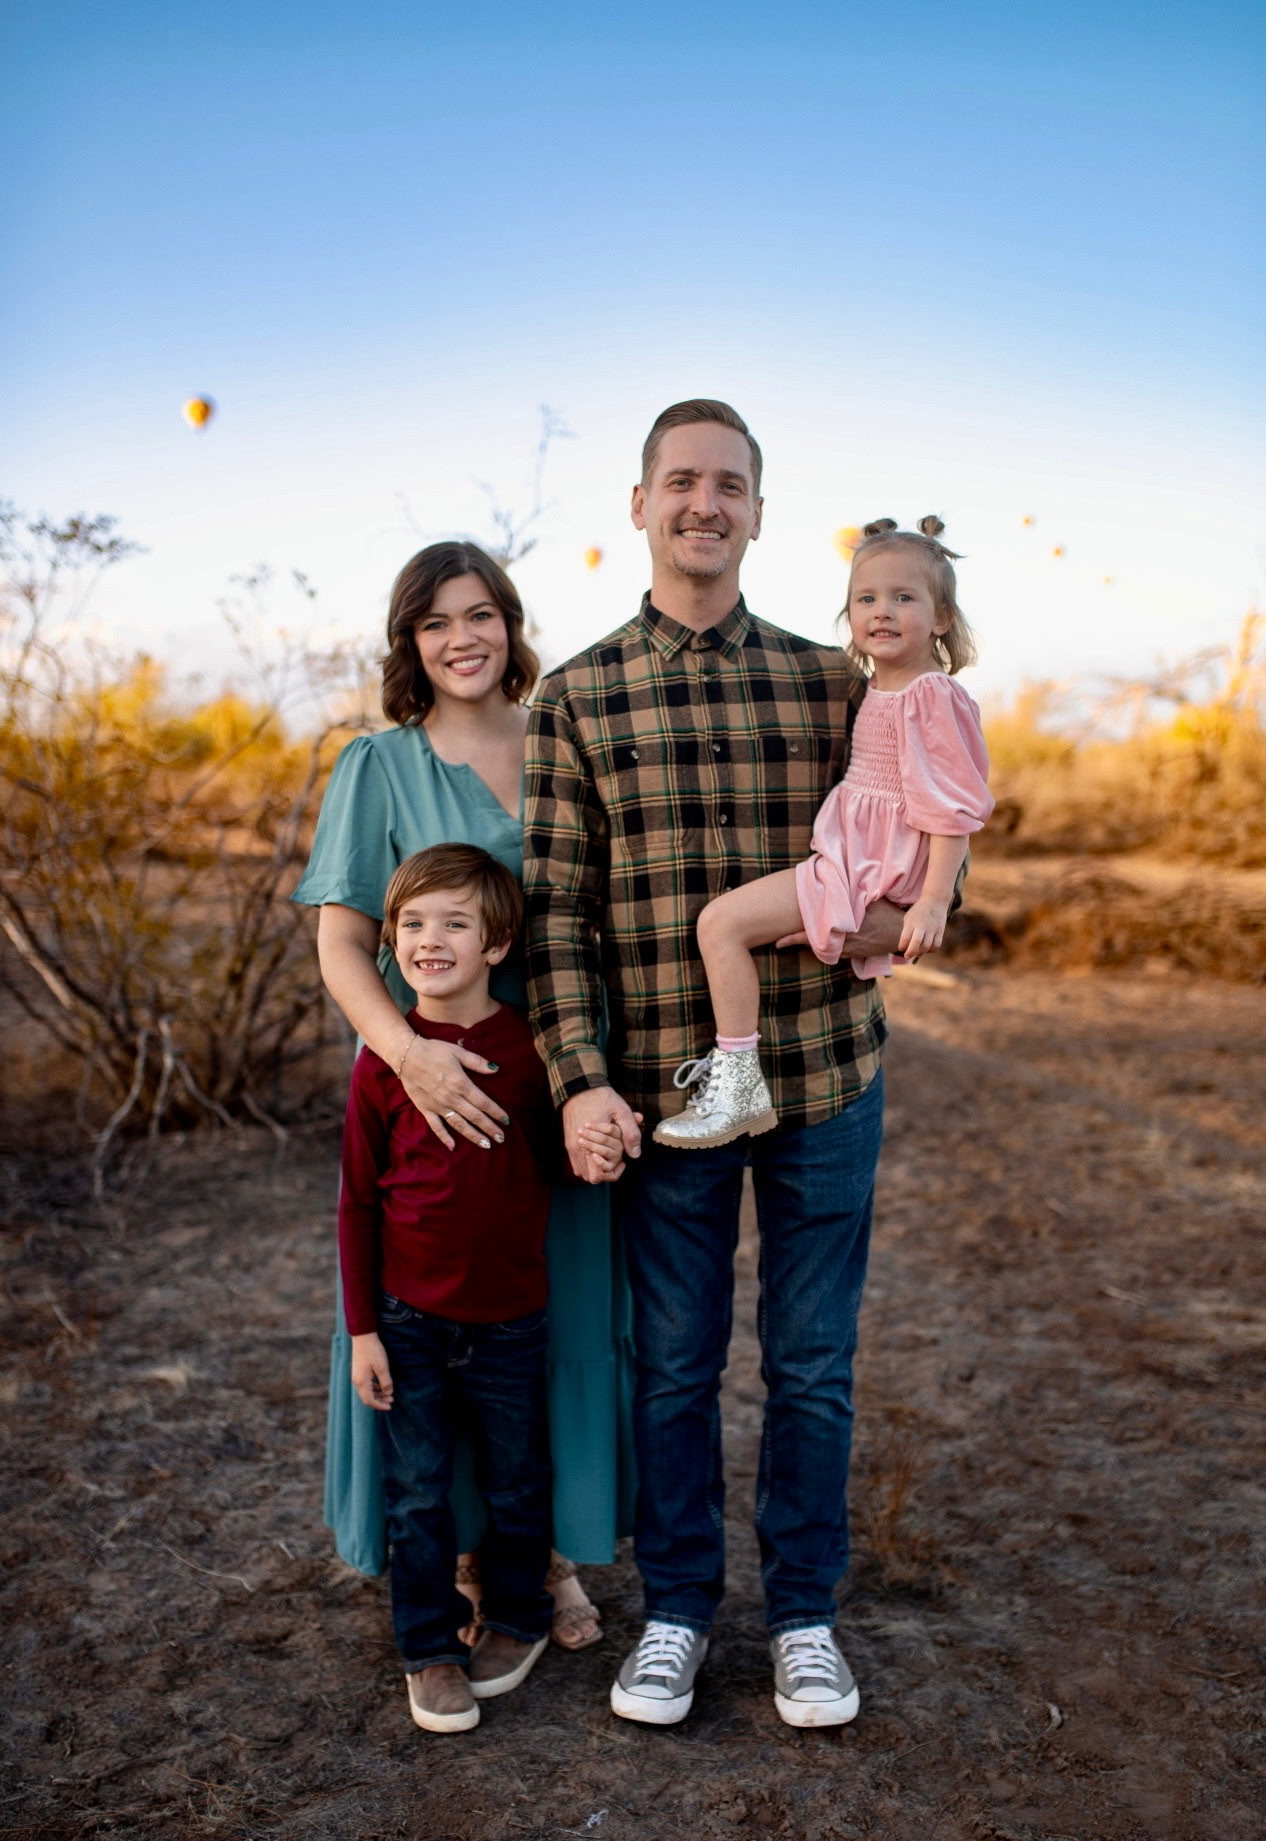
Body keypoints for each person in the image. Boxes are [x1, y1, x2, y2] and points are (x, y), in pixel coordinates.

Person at [524, 399, 951, 1730]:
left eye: (729, 484)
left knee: (812, 1362)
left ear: (759, 514)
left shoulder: (836, 682)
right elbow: (551, 912)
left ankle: (807, 1616)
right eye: (680, 481)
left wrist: (911, 912)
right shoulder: (576, 696)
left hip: (825, 1073)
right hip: (670, 1096)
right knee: (674, 1364)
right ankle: (679, 1609)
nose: (703, 502)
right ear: (640, 504)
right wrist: (580, 1075)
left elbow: (930, 807)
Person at [293, 540, 633, 1653]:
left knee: (556, 1318)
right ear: (411, 643)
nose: (463, 638)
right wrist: (406, 1055)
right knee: (439, 1320)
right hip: (430, 1085)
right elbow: (344, 942)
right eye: (436, 622)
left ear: (510, 622)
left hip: (555, 1084)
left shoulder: (565, 742)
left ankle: (550, 1550)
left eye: (481, 613)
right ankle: (478, 1556)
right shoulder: (377, 766)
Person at [340, 844, 623, 1732]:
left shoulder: (530, 1050)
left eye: (455, 922)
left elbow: (555, 1169)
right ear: (391, 940)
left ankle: (516, 1618)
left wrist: (600, 1149)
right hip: (408, 1318)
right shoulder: (384, 1059)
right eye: (414, 923)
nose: (431, 939)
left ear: (497, 943)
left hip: (509, 1320)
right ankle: (428, 1648)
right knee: (418, 1491)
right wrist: (363, 1331)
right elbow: (355, 1200)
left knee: (514, 1481)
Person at [654, 514, 992, 1149]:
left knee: (719, 925)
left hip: (868, 869)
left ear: (942, 618)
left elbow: (954, 808)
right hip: (854, 857)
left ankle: (738, 1085)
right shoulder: (871, 686)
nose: (882, 611)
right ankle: (739, 1080)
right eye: (866, 598)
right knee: (737, 927)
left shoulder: (930, 694)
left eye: (904, 597)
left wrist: (933, 900)